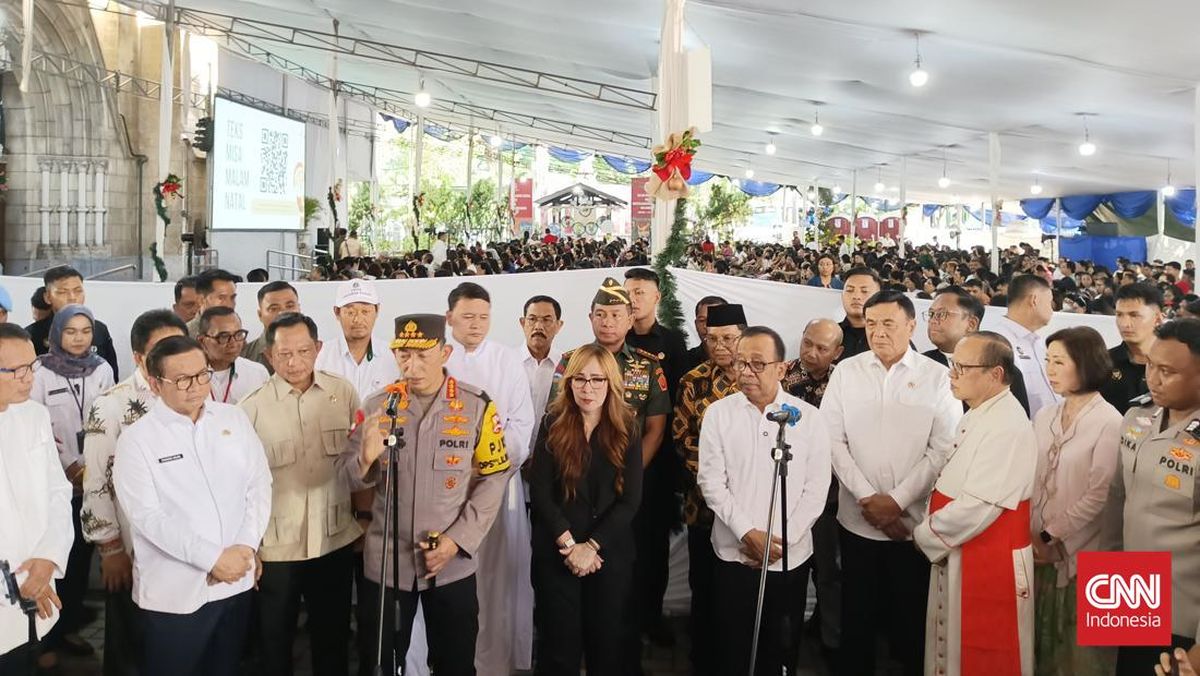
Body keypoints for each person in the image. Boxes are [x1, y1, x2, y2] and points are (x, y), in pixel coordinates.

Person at [349, 314, 513, 676]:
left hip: (451, 563)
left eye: (423, 355)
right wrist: (365, 457)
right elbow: (347, 477)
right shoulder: (378, 405)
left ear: (445, 352)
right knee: (377, 664)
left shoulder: (476, 406)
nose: (412, 365)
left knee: (455, 663)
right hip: (387, 564)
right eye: (404, 355)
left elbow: (495, 474)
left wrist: (458, 540)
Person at [819, 289, 961, 676]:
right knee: (857, 616)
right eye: (872, 324)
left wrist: (896, 502)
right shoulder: (847, 372)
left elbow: (943, 448)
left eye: (889, 324)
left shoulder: (938, 378)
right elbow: (831, 440)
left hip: (911, 526)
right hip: (857, 519)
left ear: (911, 326)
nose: (878, 332)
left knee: (911, 620)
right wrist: (869, 499)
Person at [113, 335, 272, 674]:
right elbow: (147, 518)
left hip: (235, 581)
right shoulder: (137, 441)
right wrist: (212, 558)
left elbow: (259, 484)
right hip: (174, 594)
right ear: (155, 384)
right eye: (182, 380)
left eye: (202, 375)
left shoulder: (233, 419)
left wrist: (246, 545)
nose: (196, 386)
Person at [549, 277, 670, 672]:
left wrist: (629, 470)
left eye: (615, 314)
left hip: (626, 491)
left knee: (621, 587)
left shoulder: (647, 366)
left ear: (630, 317)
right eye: (600, 314)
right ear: (590, 317)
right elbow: (558, 420)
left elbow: (654, 427)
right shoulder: (571, 362)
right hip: (575, 488)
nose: (607, 323)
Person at [698, 326, 832, 675]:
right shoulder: (719, 413)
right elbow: (711, 482)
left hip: (789, 555)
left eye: (758, 364)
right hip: (733, 552)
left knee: (781, 645)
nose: (746, 372)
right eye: (742, 363)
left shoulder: (809, 419)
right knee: (732, 645)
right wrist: (747, 534)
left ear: (782, 368)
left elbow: (817, 488)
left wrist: (781, 541)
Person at [239, 313, 362, 676]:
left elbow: (359, 464)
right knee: (275, 642)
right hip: (276, 548)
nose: (294, 362)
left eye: (303, 351)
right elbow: (239, 487)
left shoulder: (343, 393)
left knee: (333, 637)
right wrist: (249, 547)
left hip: (334, 539)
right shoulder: (250, 408)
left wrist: (366, 519)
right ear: (269, 357)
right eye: (284, 354)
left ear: (318, 348)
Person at [914, 331, 1037, 676]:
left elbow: (979, 506)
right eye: (953, 365)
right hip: (960, 548)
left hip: (987, 551)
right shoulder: (979, 412)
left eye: (962, 367)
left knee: (983, 655)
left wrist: (924, 534)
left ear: (995, 374)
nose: (951, 374)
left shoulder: (1007, 425)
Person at [80, 309, 188, 676]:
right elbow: (95, 481)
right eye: (163, 348)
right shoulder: (112, 405)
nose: (173, 355)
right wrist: (109, 549)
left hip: (184, 548)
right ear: (140, 357)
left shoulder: (192, 396)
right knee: (132, 652)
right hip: (131, 549)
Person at [529, 344, 643, 675]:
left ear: (611, 383)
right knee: (558, 649)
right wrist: (569, 545)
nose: (588, 388)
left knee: (606, 649)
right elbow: (541, 491)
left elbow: (631, 500)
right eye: (580, 379)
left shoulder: (628, 428)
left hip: (608, 554)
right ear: (569, 383)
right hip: (557, 550)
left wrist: (590, 547)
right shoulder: (553, 422)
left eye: (597, 380)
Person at [444, 282, 536, 676]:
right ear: (449, 318)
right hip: (443, 488)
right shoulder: (436, 359)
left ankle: (495, 662)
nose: (476, 324)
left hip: (496, 483)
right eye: (467, 316)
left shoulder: (505, 360)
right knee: (446, 573)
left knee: (496, 575)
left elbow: (522, 424)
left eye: (483, 317)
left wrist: (489, 468)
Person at [1102, 319, 1200, 675]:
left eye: (1168, 371)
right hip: (1131, 589)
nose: (1153, 379)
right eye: (1150, 366)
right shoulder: (1136, 417)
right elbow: (1117, 501)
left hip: (1183, 609)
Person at [28, 305, 115, 667]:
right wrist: (65, 467)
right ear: (56, 334)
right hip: (55, 475)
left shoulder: (102, 370)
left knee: (80, 561)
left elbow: (109, 420)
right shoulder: (39, 372)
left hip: (93, 476)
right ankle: (43, 638)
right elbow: (34, 425)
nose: (79, 338)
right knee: (53, 557)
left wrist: (89, 467)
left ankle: (68, 627)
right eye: (71, 331)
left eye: (85, 331)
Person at [1031, 327, 1121, 675]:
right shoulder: (1045, 416)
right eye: (1048, 360)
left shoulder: (1110, 421)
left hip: (1084, 555)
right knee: (1039, 647)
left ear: (1084, 364)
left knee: (1079, 657)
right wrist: (1034, 537)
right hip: (1039, 553)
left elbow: (1101, 494)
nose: (1050, 369)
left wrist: (1050, 535)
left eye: (1060, 361)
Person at [672, 303, 746, 676]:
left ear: (743, 336)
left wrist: (742, 483)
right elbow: (683, 439)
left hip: (751, 504)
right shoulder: (693, 380)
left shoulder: (756, 378)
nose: (720, 345)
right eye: (713, 338)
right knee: (705, 582)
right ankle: (703, 658)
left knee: (739, 586)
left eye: (728, 338)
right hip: (703, 503)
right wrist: (718, 482)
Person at [0, 324, 73, 671]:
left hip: (38, 585)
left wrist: (47, 560)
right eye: (14, 370)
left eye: (32, 366)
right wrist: (20, 581)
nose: (27, 378)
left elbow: (58, 493)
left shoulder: (34, 415)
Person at [622, 267, 687, 650]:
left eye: (642, 291)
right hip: (618, 459)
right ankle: (622, 616)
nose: (635, 298)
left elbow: (678, 402)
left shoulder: (674, 343)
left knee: (654, 544)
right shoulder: (614, 337)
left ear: (657, 297)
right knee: (621, 541)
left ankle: (652, 614)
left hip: (659, 462)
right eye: (629, 291)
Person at [779, 317, 844, 659]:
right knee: (786, 569)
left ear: (838, 351)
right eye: (807, 343)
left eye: (822, 348)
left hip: (831, 493)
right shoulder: (780, 373)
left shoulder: (846, 381)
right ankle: (784, 639)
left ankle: (831, 639)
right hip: (783, 486)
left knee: (829, 571)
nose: (811, 353)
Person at [923, 287, 1032, 414]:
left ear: (972, 324)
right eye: (931, 314)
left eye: (942, 314)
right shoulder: (921, 365)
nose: (933, 320)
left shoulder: (1002, 371)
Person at [314, 279, 402, 402]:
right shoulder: (320, 357)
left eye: (365, 311)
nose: (358, 319)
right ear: (337, 312)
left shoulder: (394, 356)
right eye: (350, 312)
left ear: (377, 310)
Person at [26, 266, 119, 377]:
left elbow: (112, 377)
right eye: (62, 292)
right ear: (48, 297)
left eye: (78, 291)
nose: (72, 298)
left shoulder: (99, 330)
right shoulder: (31, 335)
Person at [992, 274, 1059, 417]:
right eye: (1050, 302)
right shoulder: (997, 342)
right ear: (1034, 300)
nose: (1052, 310)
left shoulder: (1037, 342)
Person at [1099, 283, 1162, 414]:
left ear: (1157, 318)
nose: (1125, 324)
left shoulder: (1176, 363)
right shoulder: (1103, 362)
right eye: (1119, 315)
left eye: (1134, 315)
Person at [196, 307, 270, 404]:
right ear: (202, 341)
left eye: (238, 334)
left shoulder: (258, 374)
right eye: (224, 336)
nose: (233, 343)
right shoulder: (189, 376)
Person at [520, 295, 564, 442]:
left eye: (546, 320)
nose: (538, 326)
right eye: (532, 319)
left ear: (559, 325)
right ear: (522, 323)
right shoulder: (506, 364)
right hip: (509, 456)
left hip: (552, 453)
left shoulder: (567, 366)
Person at [241, 281, 301, 373]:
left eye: (290, 306)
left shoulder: (320, 354)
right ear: (260, 315)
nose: (283, 313)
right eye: (274, 308)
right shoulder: (243, 357)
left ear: (299, 309)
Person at [837, 267, 882, 359]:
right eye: (850, 290)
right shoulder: (830, 334)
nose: (856, 296)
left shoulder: (892, 337)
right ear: (842, 295)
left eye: (864, 291)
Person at [185, 268, 240, 337]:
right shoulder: (185, 336)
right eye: (221, 298)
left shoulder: (237, 332)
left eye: (232, 297)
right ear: (201, 300)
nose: (229, 304)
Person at [683, 296, 728, 374]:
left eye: (715, 319)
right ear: (696, 324)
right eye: (702, 320)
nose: (707, 326)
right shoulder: (684, 361)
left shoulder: (742, 359)